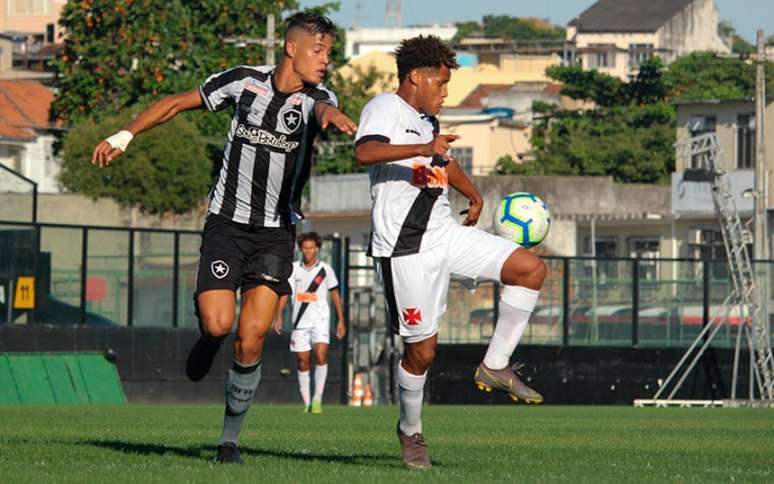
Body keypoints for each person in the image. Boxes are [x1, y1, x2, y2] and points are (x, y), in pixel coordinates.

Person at [91, 12, 357, 464]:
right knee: (218, 324)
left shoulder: (318, 97)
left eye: (330, 53)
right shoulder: (243, 82)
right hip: (226, 225)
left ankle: (229, 439)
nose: (326, 61)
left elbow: (324, 109)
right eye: (319, 51)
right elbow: (176, 102)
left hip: (276, 234)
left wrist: (336, 116)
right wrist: (125, 134)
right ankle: (208, 339)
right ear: (291, 48)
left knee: (251, 339)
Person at [353, 35, 547, 470]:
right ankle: (410, 432)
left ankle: (495, 365)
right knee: (422, 354)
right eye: (440, 83)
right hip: (405, 249)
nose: (445, 92)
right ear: (415, 77)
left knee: (530, 268)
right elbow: (365, 151)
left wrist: (474, 195)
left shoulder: (429, 122)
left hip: (445, 233)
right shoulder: (384, 107)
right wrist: (424, 148)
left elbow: (445, 161)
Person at [273, 232, 345, 414]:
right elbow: (285, 293)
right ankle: (306, 402)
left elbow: (335, 294)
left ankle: (317, 400)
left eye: (311, 248)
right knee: (302, 361)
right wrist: (279, 316)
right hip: (299, 323)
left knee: (321, 356)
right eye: (305, 248)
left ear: (317, 249)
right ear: (300, 249)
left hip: (320, 321)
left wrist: (341, 320)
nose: (308, 251)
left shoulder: (325, 270)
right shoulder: (294, 269)